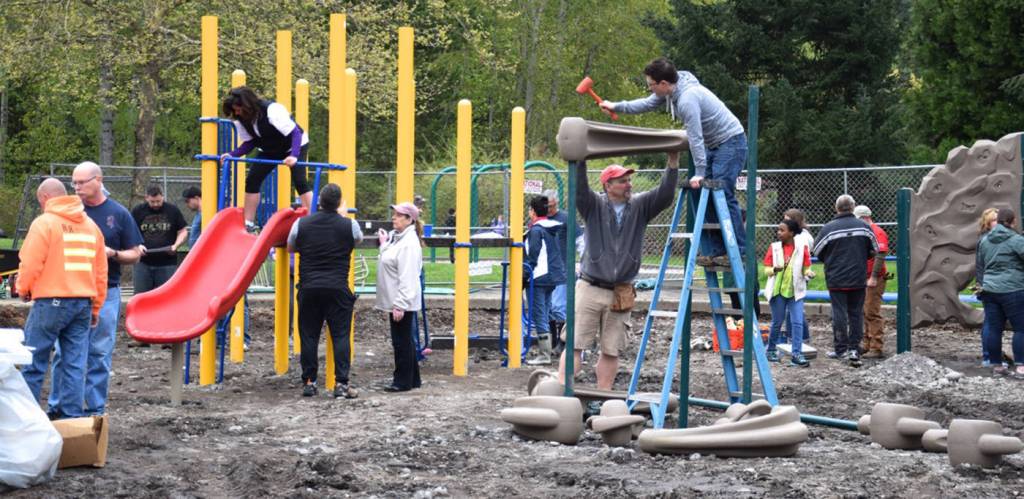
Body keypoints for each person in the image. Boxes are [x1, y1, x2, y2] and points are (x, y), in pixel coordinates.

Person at [601, 57, 746, 266]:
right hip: (715, 144)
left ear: (663, 84)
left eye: (651, 85)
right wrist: (615, 106)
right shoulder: (671, 91)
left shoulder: (687, 99)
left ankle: (738, 251)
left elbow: (695, 137)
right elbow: (645, 104)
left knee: (721, 193)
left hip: (731, 142)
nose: (650, 89)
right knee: (703, 194)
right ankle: (718, 252)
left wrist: (700, 172)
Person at [557, 151, 680, 390]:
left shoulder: (641, 206)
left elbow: (665, 196)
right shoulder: (593, 205)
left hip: (621, 290)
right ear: (608, 185)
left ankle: (603, 395)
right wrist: (581, 157)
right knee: (575, 342)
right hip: (590, 286)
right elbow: (580, 189)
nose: (628, 185)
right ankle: (563, 390)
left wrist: (672, 164)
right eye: (623, 181)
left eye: (629, 180)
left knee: (611, 349)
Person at [48, 162, 143, 416]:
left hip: (106, 291)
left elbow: (135, 254)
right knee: (62, 352)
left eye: (81, 182)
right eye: (74, 183)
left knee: (99, 352)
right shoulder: (68, 211)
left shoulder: (118, 214)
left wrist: (113, 254)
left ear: (98, 180)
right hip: (69, 291)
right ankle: (58, 406)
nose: (76, 188)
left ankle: (94, 408)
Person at [18, 178, 107, 419]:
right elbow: (100, 272)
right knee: (75, 365)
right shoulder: (91, 226)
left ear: (45, 198)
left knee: (33, 361)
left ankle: (27, 421)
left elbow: (30, 263)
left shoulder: (45, 223)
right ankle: (70, 421)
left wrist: (23, 288)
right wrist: (96, 308)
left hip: (51, 302)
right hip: (83, 304)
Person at [287, 183, 361, 398]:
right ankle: (341, 383)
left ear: (319, 201)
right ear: (339, 203)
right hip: (338, 287)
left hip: (309, 287)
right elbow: (356, 241)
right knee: (340, 335)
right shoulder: (350, 225)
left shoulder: (301, 224)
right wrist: (342, 216)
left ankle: (309, 381)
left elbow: (291, 246)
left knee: (309, 335)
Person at [220, 86, 312, 233]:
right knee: (252, 180)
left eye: (238, 109)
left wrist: (294, 156)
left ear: (247, 105)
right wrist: (233, 154)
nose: (237, 113)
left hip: (293, 145)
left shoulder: (272, 110)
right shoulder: (239, 120)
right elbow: (250, 142)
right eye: (234, 111)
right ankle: (248, 223)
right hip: (269, 149)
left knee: (299, 180)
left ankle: (313, 218)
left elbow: (295, 133)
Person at [812, 195, 878, 368]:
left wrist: (831, 260)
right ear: (853, 207)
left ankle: (840, 349)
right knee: (856, 313)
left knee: (839, 313)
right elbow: (874, 250)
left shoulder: (828, 229)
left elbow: (817, 251)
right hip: (858, 277)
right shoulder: (864, 227)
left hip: (836, 278)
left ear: (837, 208)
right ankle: (854, 349)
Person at [375, 202, 424, 392]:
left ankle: (402, 381)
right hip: (398, 299)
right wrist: (384, 244)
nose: (394, 218)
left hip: (400, 301)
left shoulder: (408, 244)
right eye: (394, 214)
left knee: (401, 341)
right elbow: (390, 261)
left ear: (409, 219)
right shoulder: (399, 239)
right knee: (405, 339)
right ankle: (413, 379)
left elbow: (407, 276)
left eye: (398, 215)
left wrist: (400, 304)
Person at [977, 208, 1024, 377]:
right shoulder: (1016, 240)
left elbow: (982, 263)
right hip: (1013, 289)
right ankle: (1021, 367)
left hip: (989, 289)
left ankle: (996, 366)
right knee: (1021, 328)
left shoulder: (984, 241)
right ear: (1013, 221)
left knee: (994, 328)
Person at [763, 219, 814, 368]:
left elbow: (806, 268)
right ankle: (771, 349)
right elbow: (766, 269)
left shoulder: (802, 248)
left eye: (782, 230)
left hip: (795, 292)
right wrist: (774, 270)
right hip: (778, 292)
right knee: (777, 322)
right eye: (778, 230)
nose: (779, 233)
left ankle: (796, 354)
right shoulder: (774, 247)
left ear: (791, 233)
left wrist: (809, 273)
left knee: (797, 321)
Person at [523, 196, 566, 365]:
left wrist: (524, 276)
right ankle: (549, 349)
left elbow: (533, 256)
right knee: (546, 311)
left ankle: (544, 354)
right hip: (552, 277)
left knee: (539, 314)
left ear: (533, 211)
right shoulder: (551, 228)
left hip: (538, 278)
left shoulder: (536, 231)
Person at [543, 189, 583, 354]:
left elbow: (581, 240)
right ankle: (553, 344)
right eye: (547, 206)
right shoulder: (540, 219)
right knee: (548, 308)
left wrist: (581, 263)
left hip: (563, 269)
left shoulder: (566, 218)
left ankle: (565, 341)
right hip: (546, 270)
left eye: (551, 206)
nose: (549, 210)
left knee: (559, 306)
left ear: (556, 204)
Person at [131, 185, 188, 294]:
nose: (156, 204)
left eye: (158, 201)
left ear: (163, 197)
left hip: (167, 263)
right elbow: (130, 232)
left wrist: (176, 245)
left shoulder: (172, 210)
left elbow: (183, 231)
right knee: (141, 296)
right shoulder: (138, 211)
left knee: (166, 296)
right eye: (152, 201)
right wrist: (137, 246)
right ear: (146, 198)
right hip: (143, 263)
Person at [854, 205, 890, 359]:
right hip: (865, 276)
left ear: (863, 218)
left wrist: (874, 277)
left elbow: (880, 255)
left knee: (871, 311)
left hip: (874, 277)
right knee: (865, 310)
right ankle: (867, 343)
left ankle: (876, 346)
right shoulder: (867, 231)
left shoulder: (877, 232)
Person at [974, 208, 1001, 367]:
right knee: (991, 322)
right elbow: (980, 266)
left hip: (996, 286)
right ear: (987, 223)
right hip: (989, 286)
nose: (998, 223)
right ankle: (988, 356)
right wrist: (981, 286)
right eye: (994, 220)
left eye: (999, 219)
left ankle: (991, 355)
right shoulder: (985, 240)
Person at [782, 208, 813, 343]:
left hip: (797, 277)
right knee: (793, 309)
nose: (784, 221)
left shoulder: (801, 238)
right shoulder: (801, 235)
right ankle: (799, 338)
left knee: (793, 310)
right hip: (793, 275)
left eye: (787, 219)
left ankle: (797, 339)